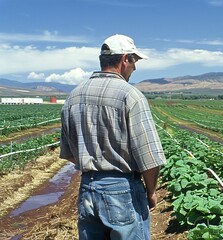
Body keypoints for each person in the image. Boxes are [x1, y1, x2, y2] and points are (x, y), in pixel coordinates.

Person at [60, 34, 167, 240]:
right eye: (134, 61)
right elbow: (149, 157)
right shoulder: (130, 95)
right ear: (125, 59)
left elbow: (70, 153)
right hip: (122, 190)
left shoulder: (73, 96)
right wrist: (151, 191)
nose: (135, 67)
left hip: (87, 189)